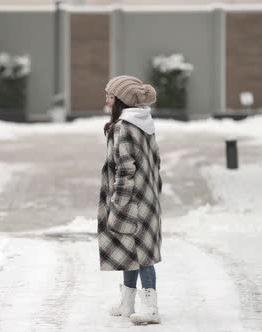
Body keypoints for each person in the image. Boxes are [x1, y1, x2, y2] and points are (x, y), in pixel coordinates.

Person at [97, 75, 163, 325]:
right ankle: (127, 303)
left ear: (121, 101)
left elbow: (126, 169)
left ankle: (151, 308)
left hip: (130, 199)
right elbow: (155, 161)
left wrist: (119, 202)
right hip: (147, 197)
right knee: (131, 249)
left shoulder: (123, 127)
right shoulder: (145, 123)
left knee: (141, 255)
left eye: (110, 96)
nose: (106, 100)